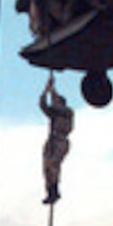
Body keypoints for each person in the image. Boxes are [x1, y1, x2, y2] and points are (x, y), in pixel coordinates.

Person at [39, 76, 74, 204]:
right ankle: (51, 191)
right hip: (52, 139)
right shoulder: (55, 112)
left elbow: (56, 107)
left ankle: (54, 190)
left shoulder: (67, 111)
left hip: (61, 140)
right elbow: (43, 106)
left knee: (54, 163)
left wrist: (52, 89)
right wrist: (46, 90)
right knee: (46, 166)